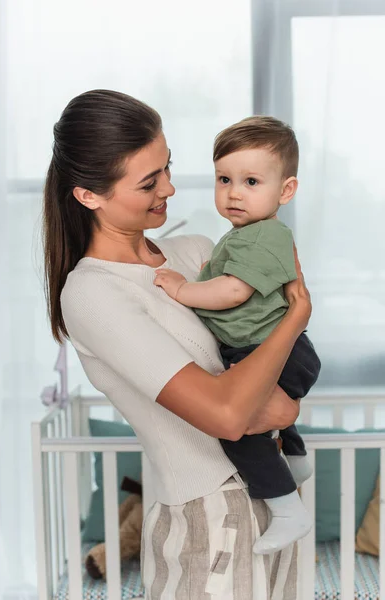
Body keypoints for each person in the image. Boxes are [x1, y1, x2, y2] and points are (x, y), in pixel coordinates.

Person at [43, 90, 311, 599]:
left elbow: (275, 398)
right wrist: (297, 316)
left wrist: (283, 404)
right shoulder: (94, 293)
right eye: (149, 182)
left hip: (276, 500)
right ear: (88, 195)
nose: (169, 187)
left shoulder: (196, 252)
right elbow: (229, 416)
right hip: (209, 519)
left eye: (168, 167)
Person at [154, 116, 320, 555]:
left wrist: (182, 289)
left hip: (275, 352)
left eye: (250, 181)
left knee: (239, 431)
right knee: (267, 413)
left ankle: (287, 509)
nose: (233, 192)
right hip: (275, 349)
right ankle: (298, 461)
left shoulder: (261, 237)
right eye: (224, 179)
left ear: (285, 191)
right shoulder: (246, 234)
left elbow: (233, 291)